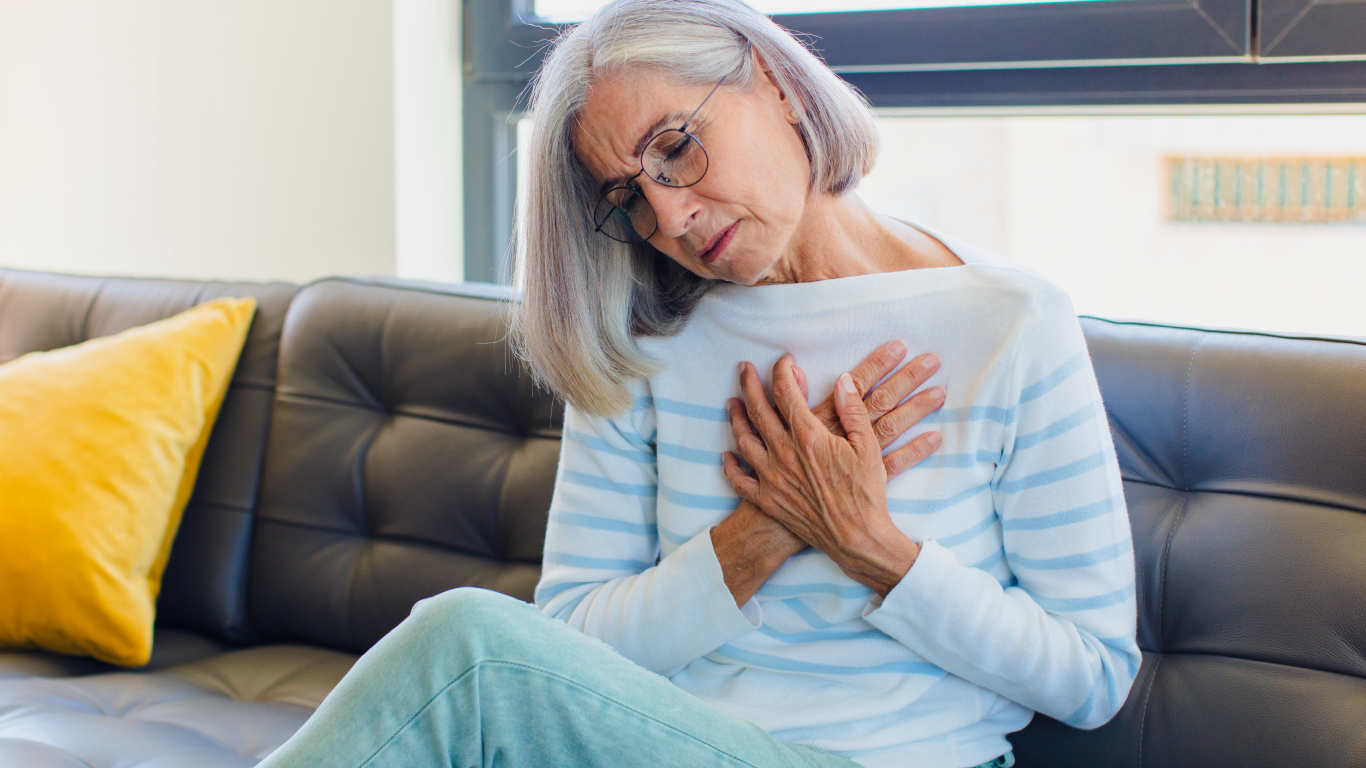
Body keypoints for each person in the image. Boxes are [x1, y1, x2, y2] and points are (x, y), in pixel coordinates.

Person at [257, 1, 1139, 767]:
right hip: (654, 745)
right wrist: (763, 530)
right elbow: (568, 644)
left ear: (777, 85)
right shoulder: (647, 340)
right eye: (628, 197)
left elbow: (1092, 676)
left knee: (469, 653)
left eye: (675, 149)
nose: (668, 216)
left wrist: (868, 541)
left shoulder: (1009, 323)